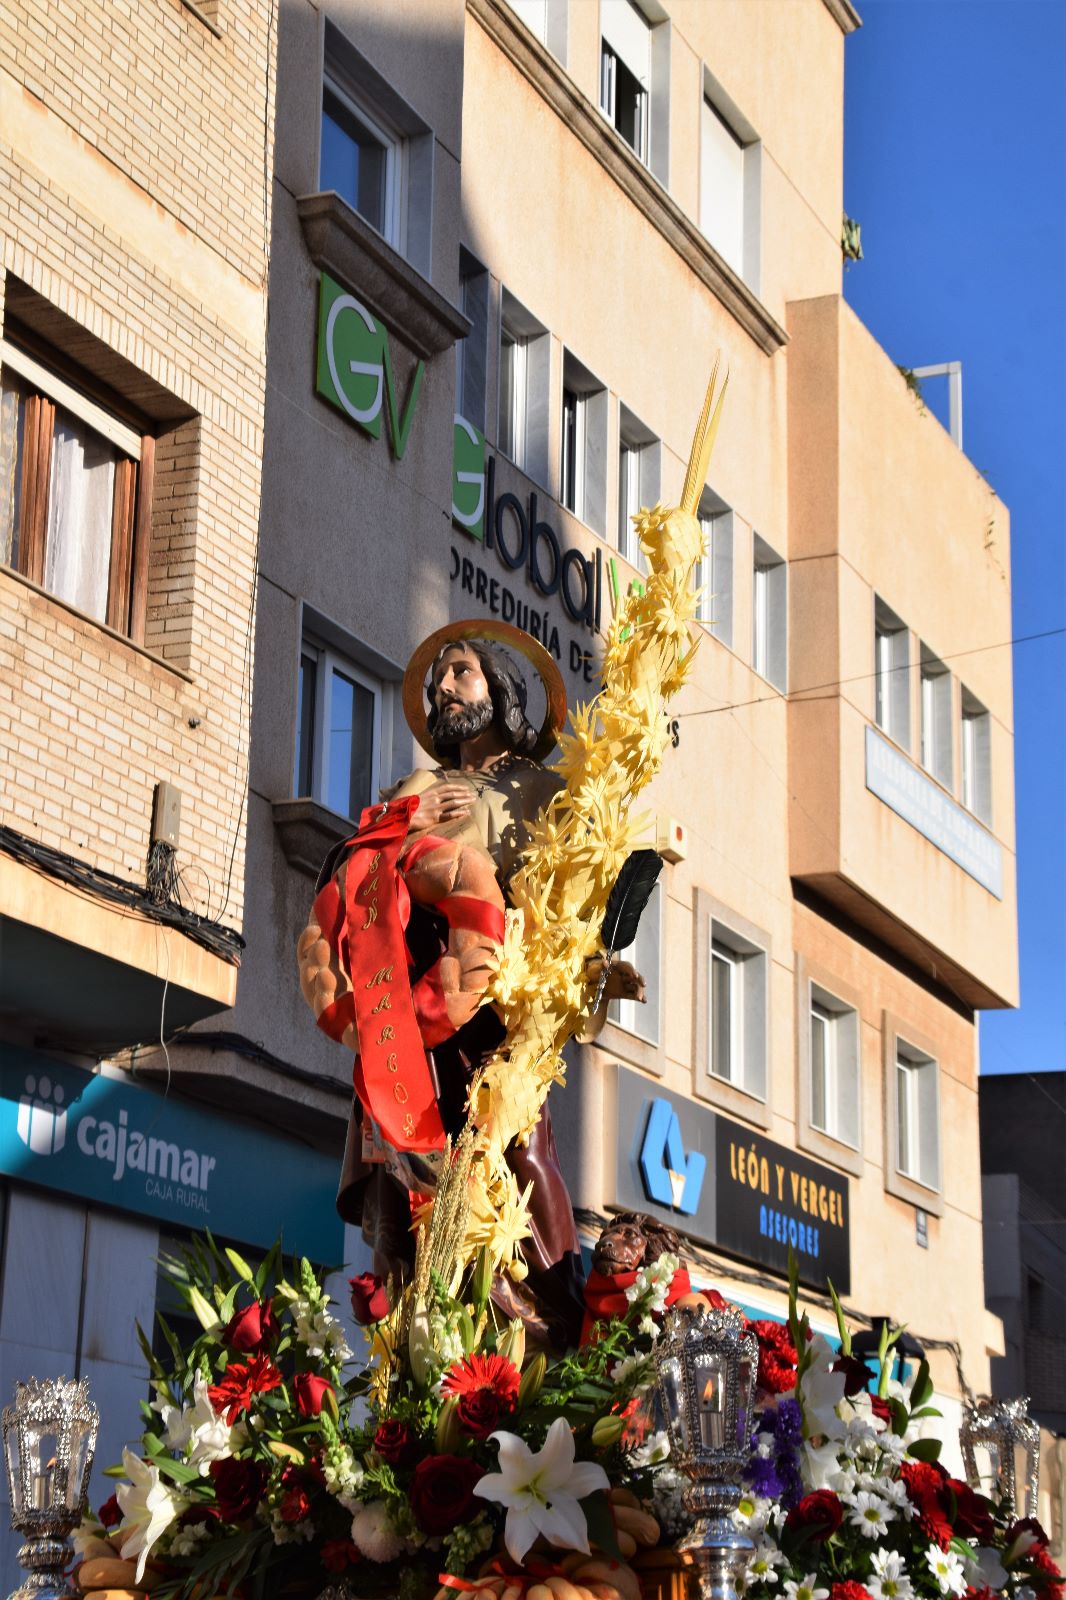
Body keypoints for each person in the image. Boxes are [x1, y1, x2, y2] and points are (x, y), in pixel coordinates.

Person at [299, 620, 644, 1348]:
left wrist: (595, 957)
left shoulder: (544, 790)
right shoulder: (415, 790)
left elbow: (588, 884)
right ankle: (422, 1349)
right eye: (438, 680)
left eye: (461, 673)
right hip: (408, 1010)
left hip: (502, 1006)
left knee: (516, 1158)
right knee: (407, 1191)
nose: (445, 689)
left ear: (502, 689)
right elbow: (347, 876)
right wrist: (404, 819)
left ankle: (555, 1314)